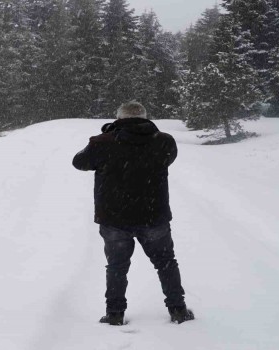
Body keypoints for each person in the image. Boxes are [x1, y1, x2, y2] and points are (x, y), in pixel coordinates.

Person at [72, 101, 194, 326]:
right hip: (153, 216)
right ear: (145, 117)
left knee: (117, 267)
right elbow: (168, 158)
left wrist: (109, 134)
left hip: (114, 219)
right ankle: (178, 309)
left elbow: (79, 162)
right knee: (166, 262)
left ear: (118, 118)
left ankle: (115, 314)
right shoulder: (164, 141)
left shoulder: (102, 142)